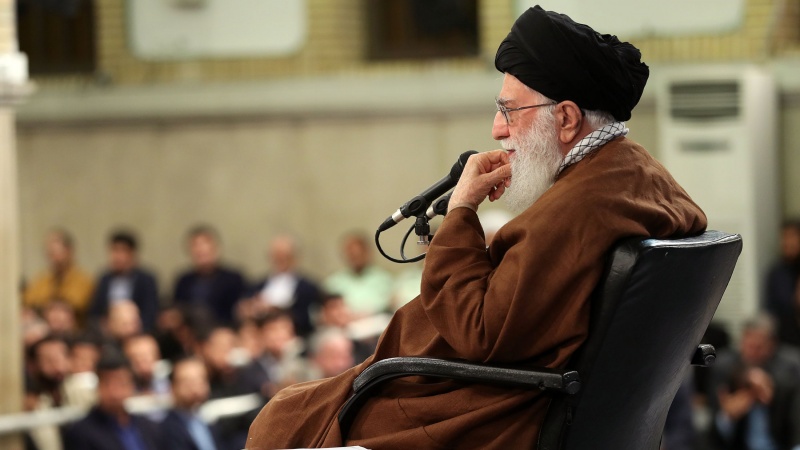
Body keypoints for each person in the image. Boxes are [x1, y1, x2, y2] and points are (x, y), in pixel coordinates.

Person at [246, 6, 706, 448]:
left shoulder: (579, 207)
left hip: (492, 411)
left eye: (509, 111)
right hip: (529, 396)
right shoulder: (638, 177)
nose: (497, 130)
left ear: (566, 118)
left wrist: (462, 208)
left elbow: (479, 330)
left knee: (286, 417)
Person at [708, 314, 800, 450]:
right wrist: (728, 417)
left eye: (758, 347)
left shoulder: (790, 368)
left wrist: (766, 384)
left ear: (772, 345)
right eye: (748, 346)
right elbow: (714, 433)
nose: (752, 353)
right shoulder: (724, 365)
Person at [63, 351, 160, 449]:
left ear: (132, 385)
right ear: (98, 385)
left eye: (121, 383)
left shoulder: (148, 427)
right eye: (107, 383)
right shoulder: (81, 433)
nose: (114, 391)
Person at [247, 235, 322, 337]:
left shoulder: (308, 288)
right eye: (277, 255)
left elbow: (308, 318)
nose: (280, 259)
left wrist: (277, 310)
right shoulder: (257, 285)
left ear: (295, 257)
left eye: (285, 255)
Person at [173, 226, 245, 325]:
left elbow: (238, 313)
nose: (200, 249)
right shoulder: (184, 281)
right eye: (195, 246)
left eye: (205, 244)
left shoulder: (233, 279)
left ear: (216, 248)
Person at [88, 230, 159, 331]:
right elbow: (94, 312)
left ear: (132, 254)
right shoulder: (104, 279)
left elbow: (150, 312)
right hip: (107, 332)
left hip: (136, 330)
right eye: (114, 250)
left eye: (122, 251)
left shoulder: (146, 280)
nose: (118, 256)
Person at [23, 229, 94, 326]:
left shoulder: (83, 279)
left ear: (69, 251)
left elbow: (76, 303)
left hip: (73, 332)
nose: (55, 258)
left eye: (58, 252)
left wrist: (51, 306)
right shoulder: (42, 279)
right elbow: (30, 300)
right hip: (45, 329)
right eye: (51, 253)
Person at [324, 231, 394, 316]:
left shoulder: (384, 279)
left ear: (367, 252)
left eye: (358, 253)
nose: (355, 258)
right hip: (344, 322)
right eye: (352, 254)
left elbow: (390, 305)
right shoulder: (333, 282)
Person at [159, 357, 222, 450]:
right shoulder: (167, 429)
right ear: (172, 387)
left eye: (201, 380)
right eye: (188, 382)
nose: (195, 387)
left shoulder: (211, 419)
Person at [764, 221, 800, 318]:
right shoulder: (776, 273)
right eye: (784, 237)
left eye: (792, 236)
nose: (787, 242)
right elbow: (770, 310)